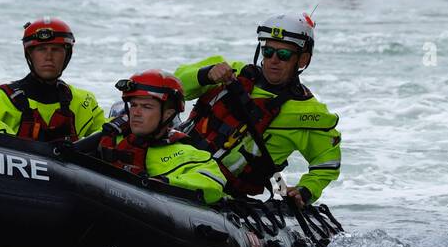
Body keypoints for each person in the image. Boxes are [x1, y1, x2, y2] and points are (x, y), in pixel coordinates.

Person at [174, 13, 340, 206]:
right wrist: (205, 75)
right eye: (268, 51)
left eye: (283, 55)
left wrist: (306, 190)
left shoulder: (311, 114)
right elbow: (175, 85)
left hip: (220, 191)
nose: (273, 60)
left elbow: (326, 163)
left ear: (302, 60)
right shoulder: (229, 71)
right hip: (175, 158)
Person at [75, 70, 226, 204]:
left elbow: (213, 184)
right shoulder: (108, 137)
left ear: (168, 114)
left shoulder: (188, 154)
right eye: (134, 105)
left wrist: (164, 183)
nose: (136, 113)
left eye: (146, 107)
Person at [0, 19, 106, 143]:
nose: (49, 57)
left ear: (67, 55)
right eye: (41, 49)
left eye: (56, 50)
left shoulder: (85, 102)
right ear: (29, 54)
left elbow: (108, 137)